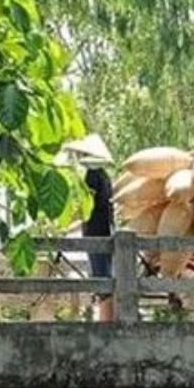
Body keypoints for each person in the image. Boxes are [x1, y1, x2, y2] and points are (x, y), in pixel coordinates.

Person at [63, 135, 115, 322]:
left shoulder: (92, 176)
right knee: (105, 275)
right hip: (105, 229)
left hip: (96, 233)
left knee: (102, 278)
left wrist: (68, 224)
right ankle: (106, 318)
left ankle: (106, 322)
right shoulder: (104, 175)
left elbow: (87, 207)